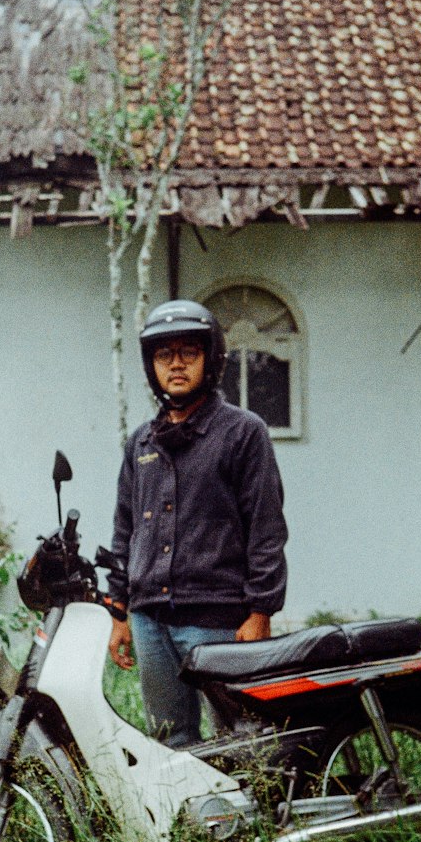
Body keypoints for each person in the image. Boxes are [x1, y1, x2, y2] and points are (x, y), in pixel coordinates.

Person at [106, 299, 288, 748]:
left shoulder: (243, 433)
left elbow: (266, 528)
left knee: (241, 737)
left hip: (219, 617)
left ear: (211, 359)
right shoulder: (141, 443)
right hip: (150, 619)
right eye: (164, 355)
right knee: (170, 739)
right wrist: (118, 613)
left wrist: (261, 609)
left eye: (189, 351)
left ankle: (256, 818)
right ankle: (193, 820)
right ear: (152, 366)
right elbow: (125, 530)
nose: (177, 364)